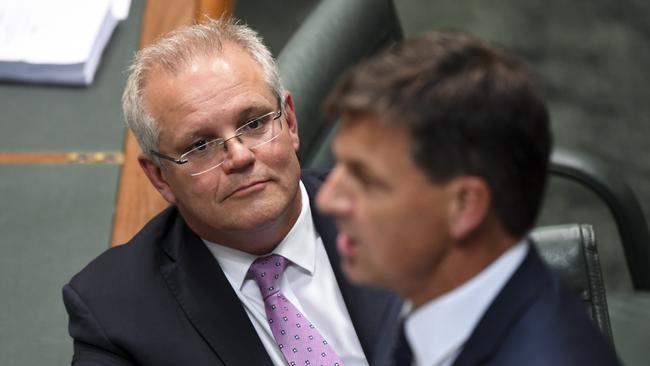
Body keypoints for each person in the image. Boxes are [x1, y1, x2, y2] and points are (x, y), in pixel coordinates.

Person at [62, 18, 401, 366]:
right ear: (159, 177)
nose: (240, 156)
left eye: (254, 124)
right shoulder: (114, 313)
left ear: (291, 123)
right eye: (201, 145)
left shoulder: (405, 209)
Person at [316, 32, 621, 366]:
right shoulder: (432, 313)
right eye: (338, 167)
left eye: (364, 178)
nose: (327, 199)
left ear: (464, 206)